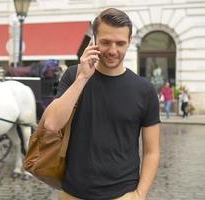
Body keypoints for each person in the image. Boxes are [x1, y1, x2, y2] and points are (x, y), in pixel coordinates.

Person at [43, 8, 160, 200]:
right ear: (94, 41)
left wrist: (140, 194)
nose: (113, 50)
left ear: (129, 42)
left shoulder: (144, 90)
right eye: (105, 42)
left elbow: (152, 151)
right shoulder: (74, 76)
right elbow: (52, 124)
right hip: (73, 194)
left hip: (122, 195)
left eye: (120, 43)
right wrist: (83, 77)